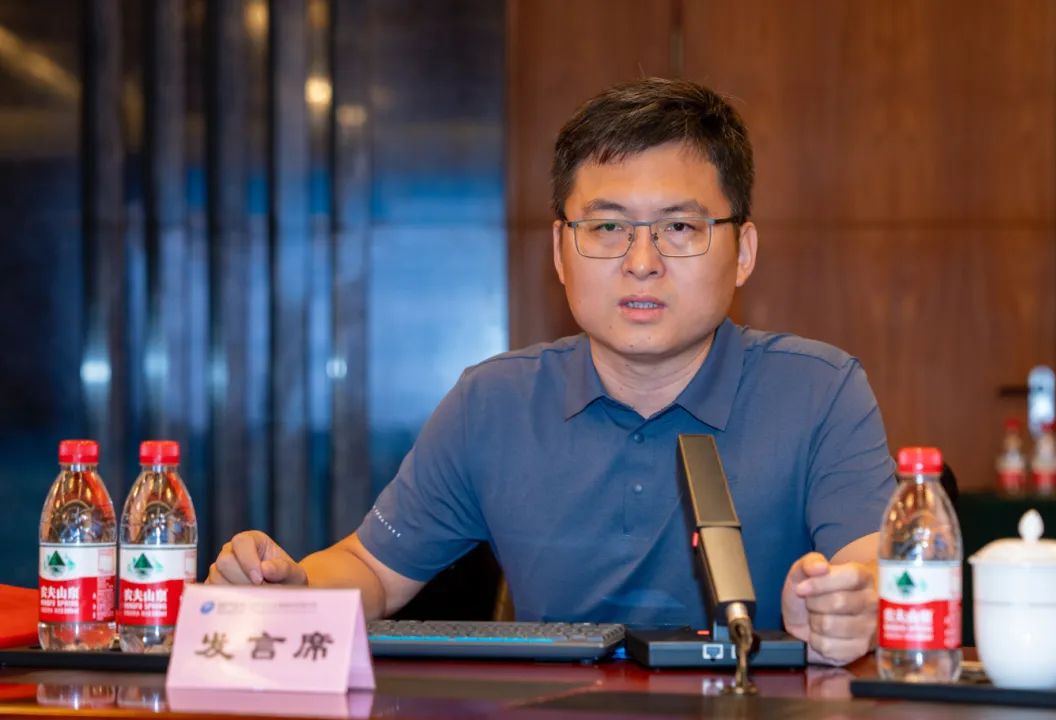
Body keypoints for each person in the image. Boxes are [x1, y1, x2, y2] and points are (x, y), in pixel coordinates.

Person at [208, 78, 894, 666]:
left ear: (742, 251)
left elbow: (870, 563)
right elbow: (371, 570)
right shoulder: (493, 403)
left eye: (680, 228)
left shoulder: (820, 391)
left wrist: (852, 602)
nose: (642, 262)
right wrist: (293, 594)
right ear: (561, 252)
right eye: (607, 228)